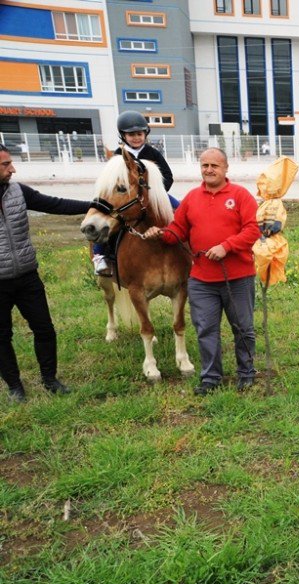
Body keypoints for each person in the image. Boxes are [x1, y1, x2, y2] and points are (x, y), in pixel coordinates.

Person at [143, 148, 260, 395]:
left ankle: (246, 372)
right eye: (204, 165)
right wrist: (161, 234)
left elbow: (252, 230)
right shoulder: (192, 198)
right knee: (206, 329)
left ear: (226, 168)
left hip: (237, 278)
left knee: (243, 328)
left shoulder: (240, 196)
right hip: (202, 280)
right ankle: (211, 378)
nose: (209, 170)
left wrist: (226, 246)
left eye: (214, 165)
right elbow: (178, 231)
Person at [0, 144, 90, 402]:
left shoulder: (19, 192)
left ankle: (50, 379)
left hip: (27, 277)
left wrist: (94, 205)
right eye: (5, 165)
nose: (12, 169)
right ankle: (15, 386)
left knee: (44, 329)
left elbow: (56, 204)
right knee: (2, 336)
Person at [91, 111, 177, 276]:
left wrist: (155, 194)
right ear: (123, 136)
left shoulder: (153, 153)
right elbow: (112, 180)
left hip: (154, 196)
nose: (136, 137)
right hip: (128, 199)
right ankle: (100, 254)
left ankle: (190, 248)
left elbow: (168, 176)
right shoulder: (118, 155)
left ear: (145, 134)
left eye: (139, 133)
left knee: (180, 210)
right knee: (108, 219)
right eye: (131, 134)